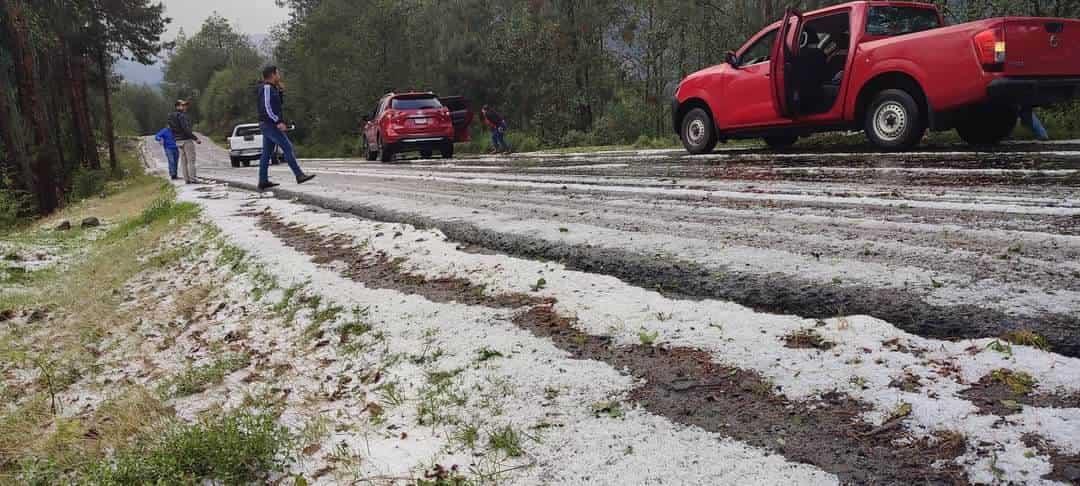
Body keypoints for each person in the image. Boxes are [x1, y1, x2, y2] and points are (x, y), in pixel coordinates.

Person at [256, 65, 315, 191]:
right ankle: (299, 175)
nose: (279, 75)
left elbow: (277, 104)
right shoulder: (266, 88)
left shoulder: (272, 88)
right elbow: (267, 107)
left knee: (266, 153)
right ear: (272, 75)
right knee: (287, 147)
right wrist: (278, 121)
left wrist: (280, 91)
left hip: (267, 124)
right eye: (277, 73)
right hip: (269, 124)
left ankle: (263, 181)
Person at [168, 100, 201, 184]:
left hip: (178, 141)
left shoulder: (171, 116)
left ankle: (187, 179)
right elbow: (186, 129)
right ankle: (193, 179)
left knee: (183, 161)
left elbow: (171, 129)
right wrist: (195, 138)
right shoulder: (182, 116)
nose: (185, 107)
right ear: (177, 106)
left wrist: (175, 138)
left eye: (185, 105)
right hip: (186, 140)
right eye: (183, 105)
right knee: (191, 160)